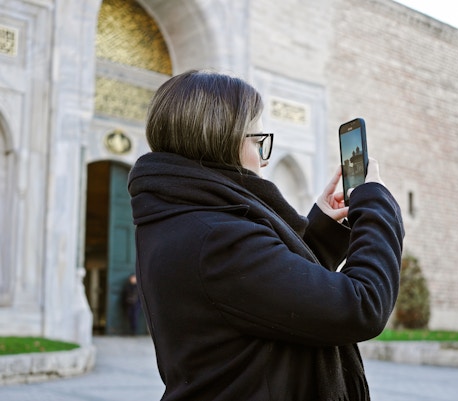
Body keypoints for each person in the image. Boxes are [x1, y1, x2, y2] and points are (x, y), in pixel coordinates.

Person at [128, 69, 404, 401]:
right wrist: (376, 205)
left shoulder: (183, 219)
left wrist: (323, 231)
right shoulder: (217, 240)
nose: (262, 159)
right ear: (222, 141)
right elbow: (361, 305)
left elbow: (266, 297)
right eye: (258, 141)